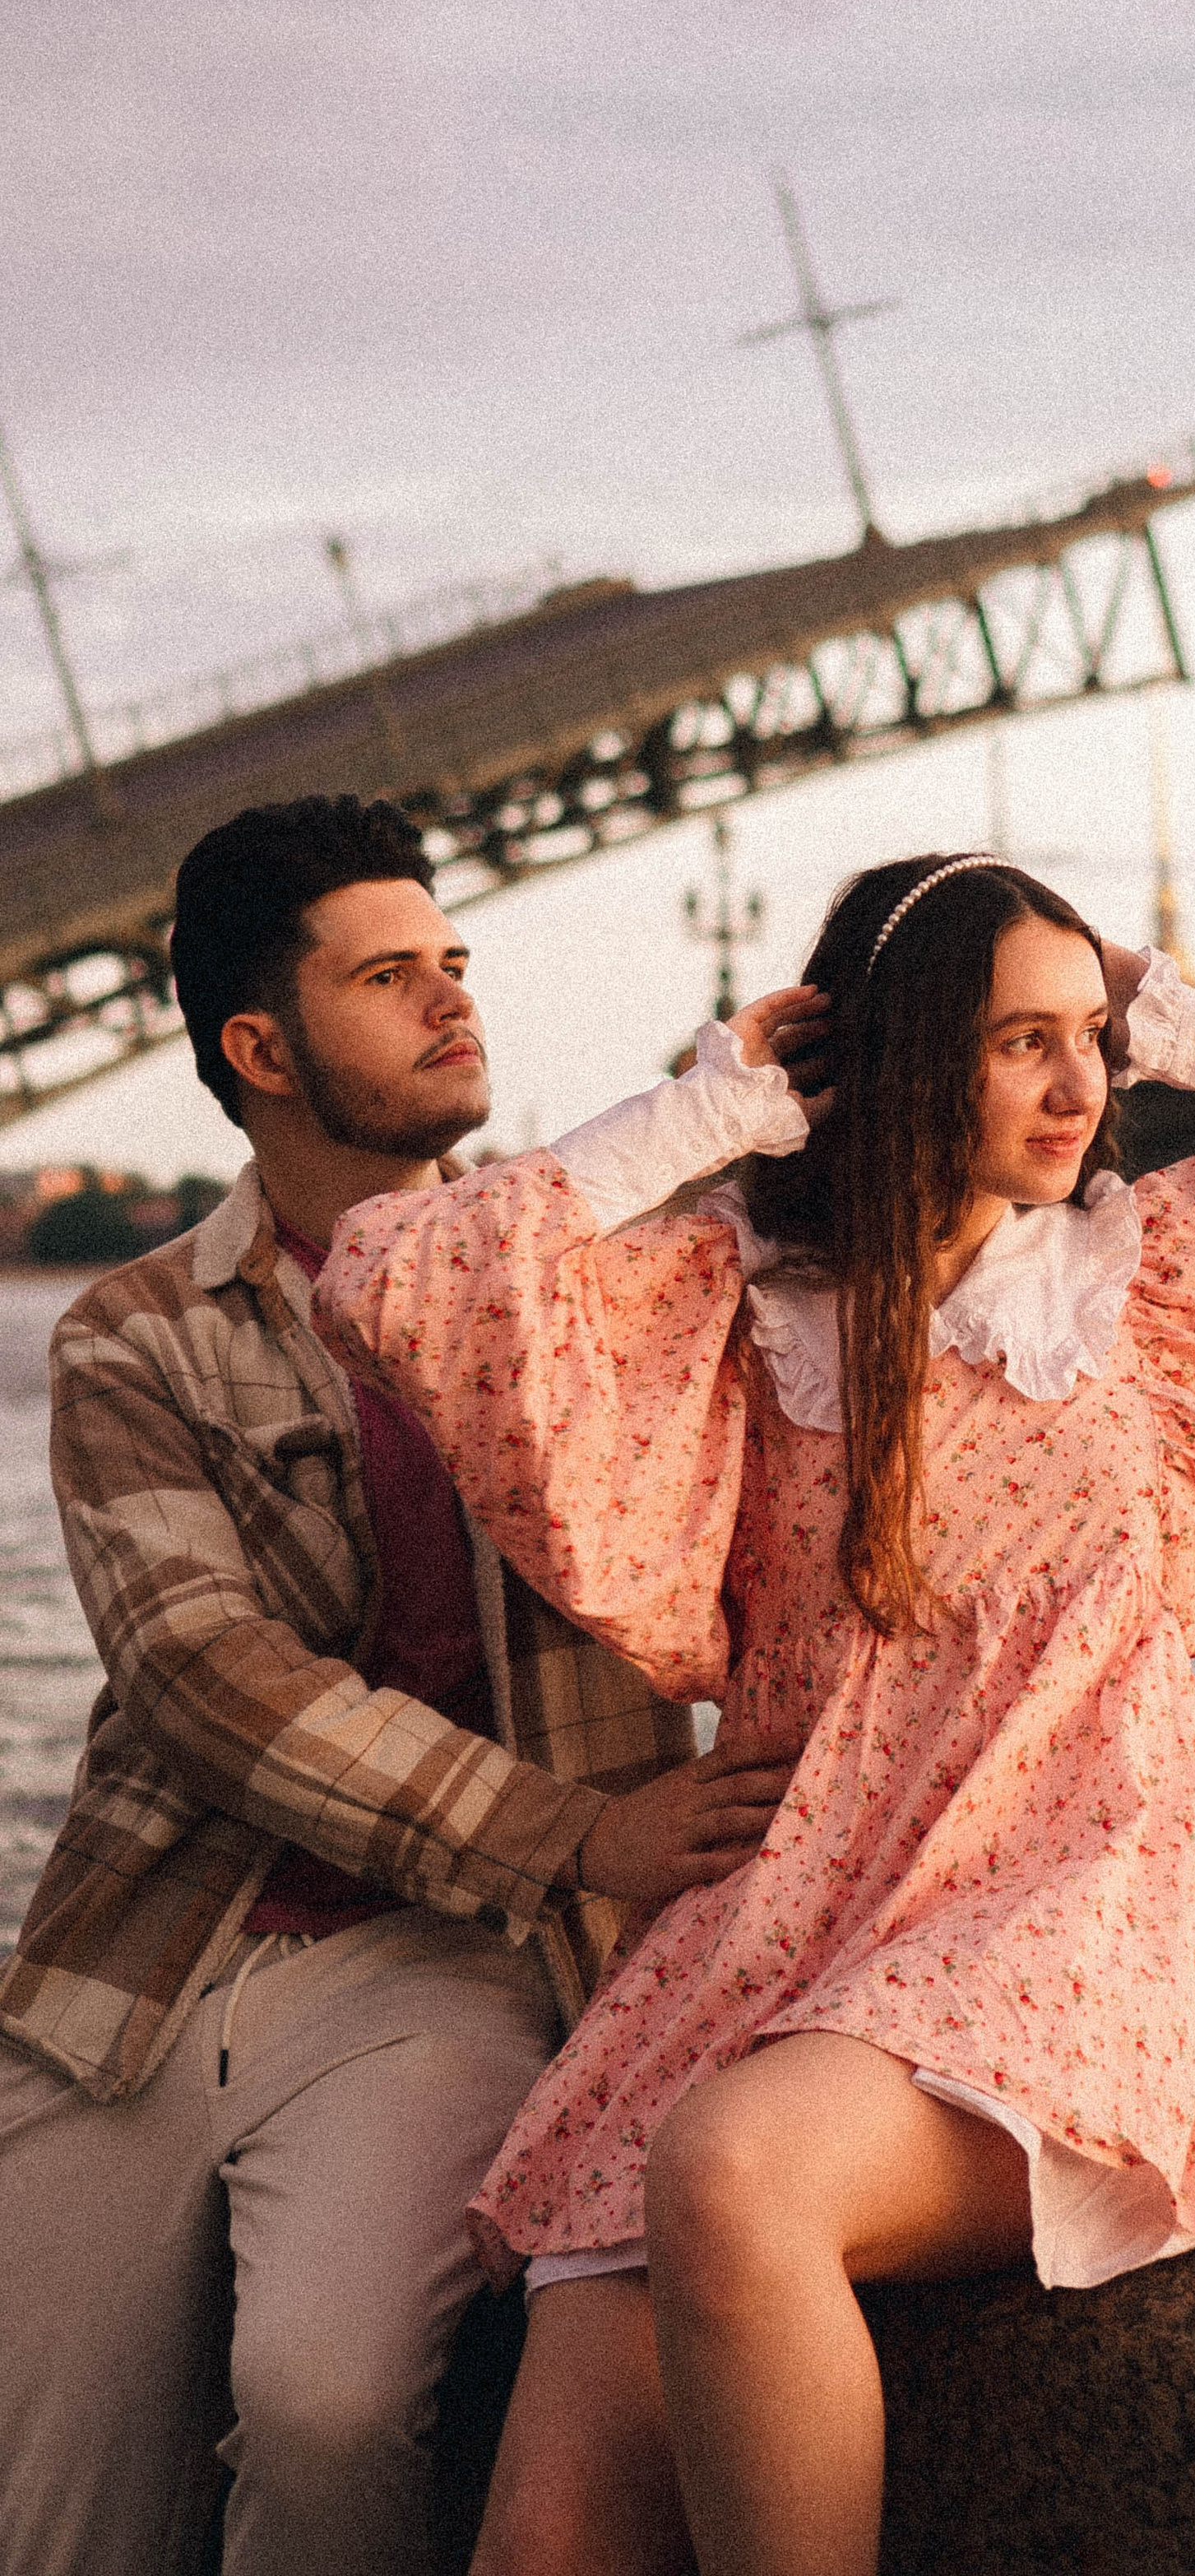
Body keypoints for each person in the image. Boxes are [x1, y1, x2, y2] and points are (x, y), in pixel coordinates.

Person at [319, 852, 1195, 2576]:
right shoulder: (732, 1311)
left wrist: (1176, 1015)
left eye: (1086, 1041)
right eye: (1016, 1043)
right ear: (899, 1060)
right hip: (787, 1940)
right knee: (540, 2539)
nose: (1077, 1087)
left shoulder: (1145, 1291)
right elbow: (403, 1273)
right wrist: (711, 1107)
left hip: (1070, 1926)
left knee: (736, 2177)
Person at [0, 794, 791, 2576]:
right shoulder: (135, 1333)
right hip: (138, 1963)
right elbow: (207, 1676)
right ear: (259, 1047)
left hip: (443, 1963)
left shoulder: (588, 1287)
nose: (452, 1006)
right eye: (388, 979)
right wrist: (579, 1831)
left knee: (327, 2407)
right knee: (47, 2508)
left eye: (453, 964)